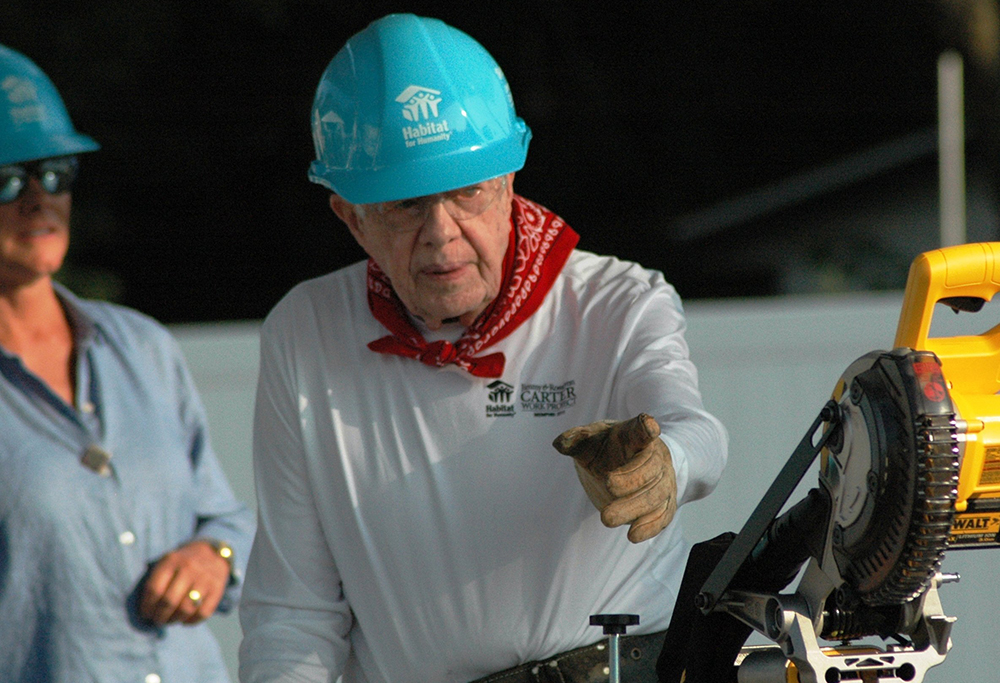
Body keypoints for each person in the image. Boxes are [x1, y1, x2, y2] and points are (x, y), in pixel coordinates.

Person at [238, 14, 727, 683]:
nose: (443, 234)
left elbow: (699, 435)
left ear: (508, 182)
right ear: (349, 215)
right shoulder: (305, 331)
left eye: (468, 191)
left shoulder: (617, 301)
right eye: (406, 204)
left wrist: (664, 464)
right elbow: (292, 612)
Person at [0, 44, 254, 682]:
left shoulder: (142, 347)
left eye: (55, 173)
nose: (40, 198)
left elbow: (226, 517)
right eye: (8, 178)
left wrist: (214, 555)